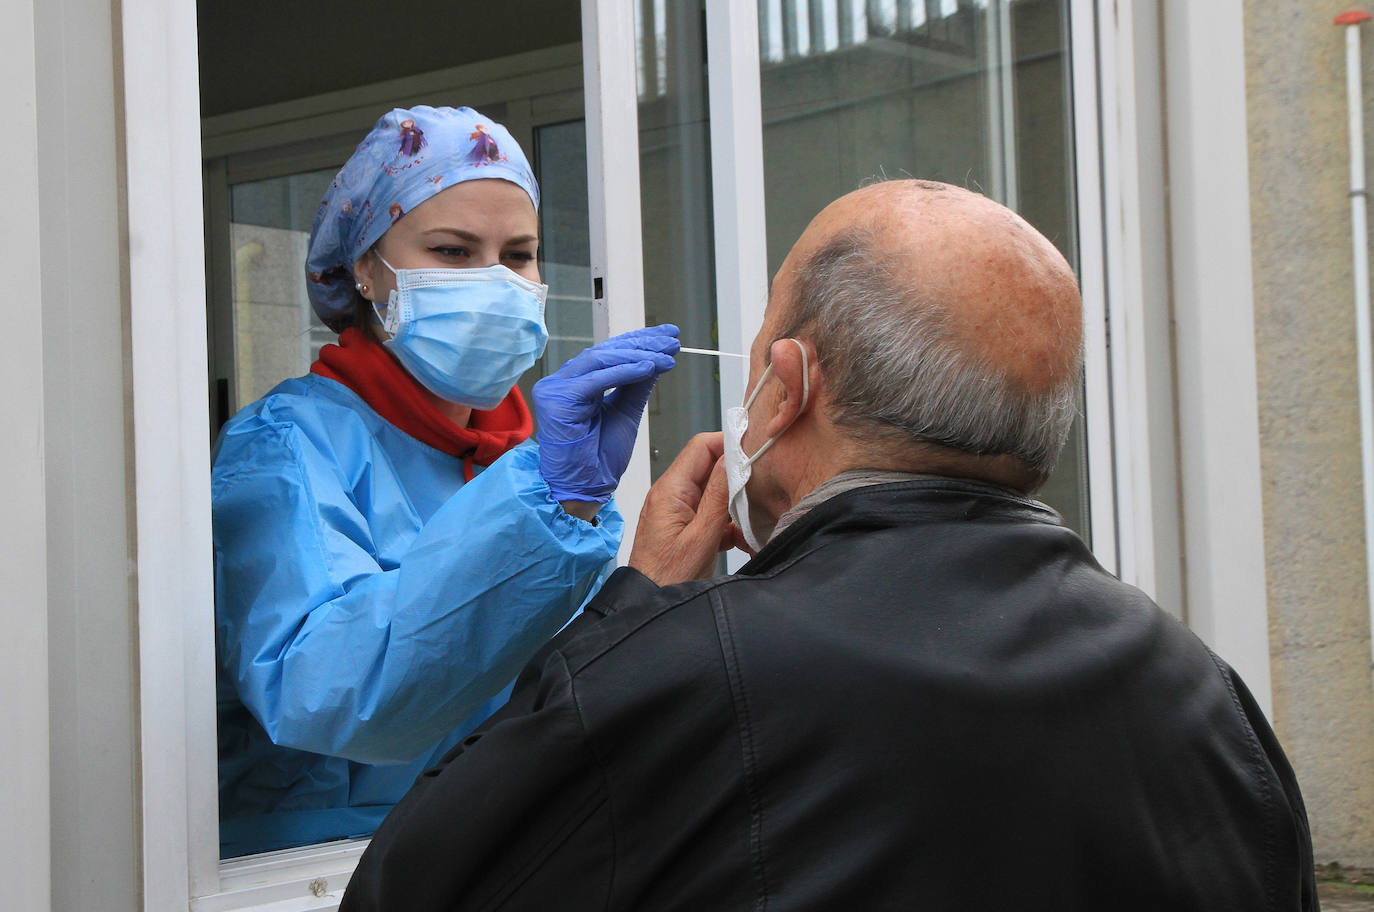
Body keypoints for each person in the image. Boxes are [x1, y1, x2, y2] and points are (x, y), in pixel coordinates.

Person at [340, 180, 1317, 910]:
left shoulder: (681, 681)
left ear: (789, 387)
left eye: (762, 348)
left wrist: (630, 614)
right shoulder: (1210, 702)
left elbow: (413, 891)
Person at [213, 105, 679, 858]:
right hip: (326, 867)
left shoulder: (531, 457)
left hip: (503, 852)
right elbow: (328, 690)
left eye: (519, 255)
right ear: (365, 268)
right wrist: (546, 505)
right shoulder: (287, 446)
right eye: (454, 251)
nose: (496, 281)